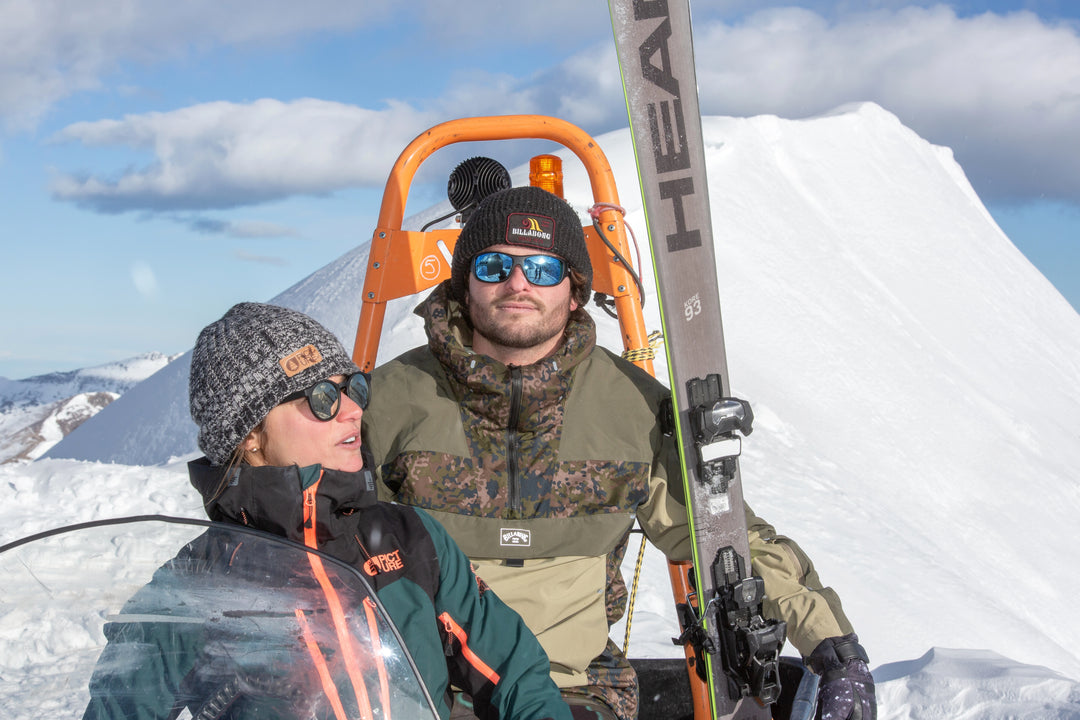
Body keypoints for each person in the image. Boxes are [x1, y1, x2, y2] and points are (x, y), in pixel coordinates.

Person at [362, 186, 876, 720]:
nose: (517, 283)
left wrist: (834, 647)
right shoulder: (388, 400)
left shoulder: (631, 406)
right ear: (465, 281)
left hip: (573, 688)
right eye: (494, 266)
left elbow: (721, 536)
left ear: (574, 289)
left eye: (541, 268)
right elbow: (313, 526)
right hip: (415, 690)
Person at [83, 301, 573, 720]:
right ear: (250, 433)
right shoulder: (196, 587)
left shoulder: (409, 537)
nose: (352, 409)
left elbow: (514, 672)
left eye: (352, 388)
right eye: (321, 397)